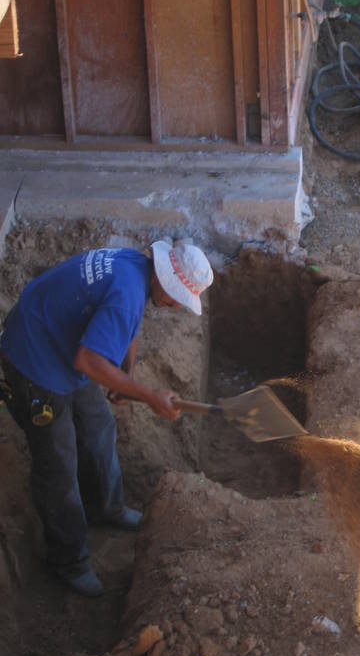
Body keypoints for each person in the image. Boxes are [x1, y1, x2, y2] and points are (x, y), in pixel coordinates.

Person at [0, 240, 213, 597]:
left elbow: (127, 328)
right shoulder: (127, 292)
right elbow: (88, 360)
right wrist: (147, 395)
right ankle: (68, 561)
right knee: (58, 463)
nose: (177, 305)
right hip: (34, 359)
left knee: (99, 426)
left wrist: (125, 372)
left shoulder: (135, 269)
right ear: (166, 280)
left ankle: (106, 508)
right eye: (178, 297)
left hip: (60, 343)